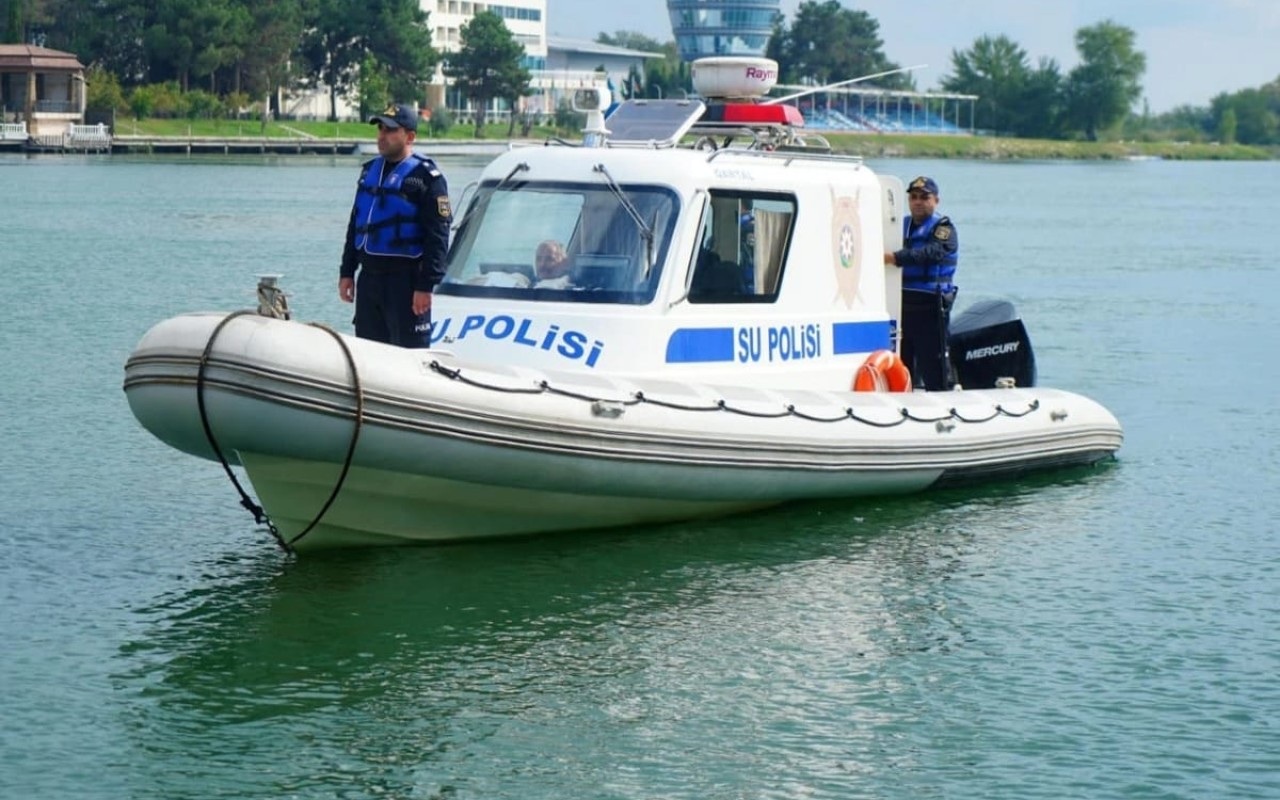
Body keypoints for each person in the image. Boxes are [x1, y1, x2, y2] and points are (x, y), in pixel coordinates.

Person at [339, 103, 451, 347]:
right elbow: (356, 224)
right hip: (369, 280)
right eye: (380, 129)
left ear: (410, 137)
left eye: (390, 130)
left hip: (405, 281)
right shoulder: (369, 172)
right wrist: (347, 271)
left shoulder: (426, 178)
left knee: (409, 352)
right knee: (368, 352)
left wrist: (426, 286)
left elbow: (438, 236)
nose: (382, 136)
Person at [884, 175, 959, 391]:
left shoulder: (944, 229)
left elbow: (932, 253)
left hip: (930, 307)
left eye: (924, 197)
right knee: (902, 364)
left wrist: (895, 258)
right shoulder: (899, 226)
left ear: (936, 200)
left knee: (933, 365)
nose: (918, 202)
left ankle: (941, 399)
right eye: (914, 197)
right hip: (901, 305)